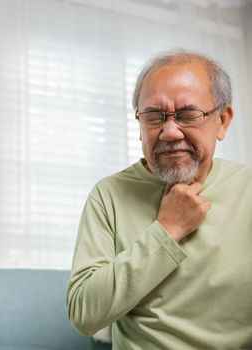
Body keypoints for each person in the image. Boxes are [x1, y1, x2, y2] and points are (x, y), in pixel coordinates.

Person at [66, 50, 252, 349]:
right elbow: (84, 315)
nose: (169, 131)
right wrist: (167, 230)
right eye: (154, 116)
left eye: (187, 115)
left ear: (222, 121)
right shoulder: (108, 195)